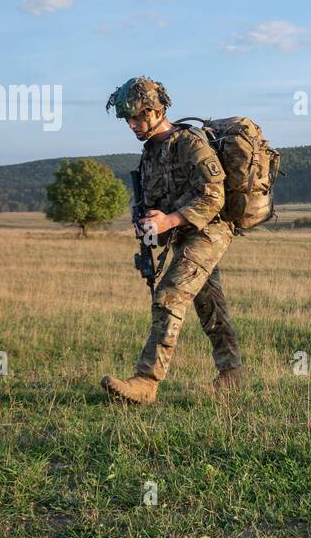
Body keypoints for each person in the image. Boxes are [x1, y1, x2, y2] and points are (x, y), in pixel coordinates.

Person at [101, 76, 244, 404]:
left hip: (209, 231)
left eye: (138, 117)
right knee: (211, 305)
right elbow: (156, 201)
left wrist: (170, 219)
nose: (132, 125)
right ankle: (232, 374)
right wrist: (150, 222)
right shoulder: (150, 153)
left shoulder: (189, 144)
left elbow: (214, 195)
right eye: (128, 119)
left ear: (156, 110)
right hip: (183, 236)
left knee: (169, 295)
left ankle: (147, 381)